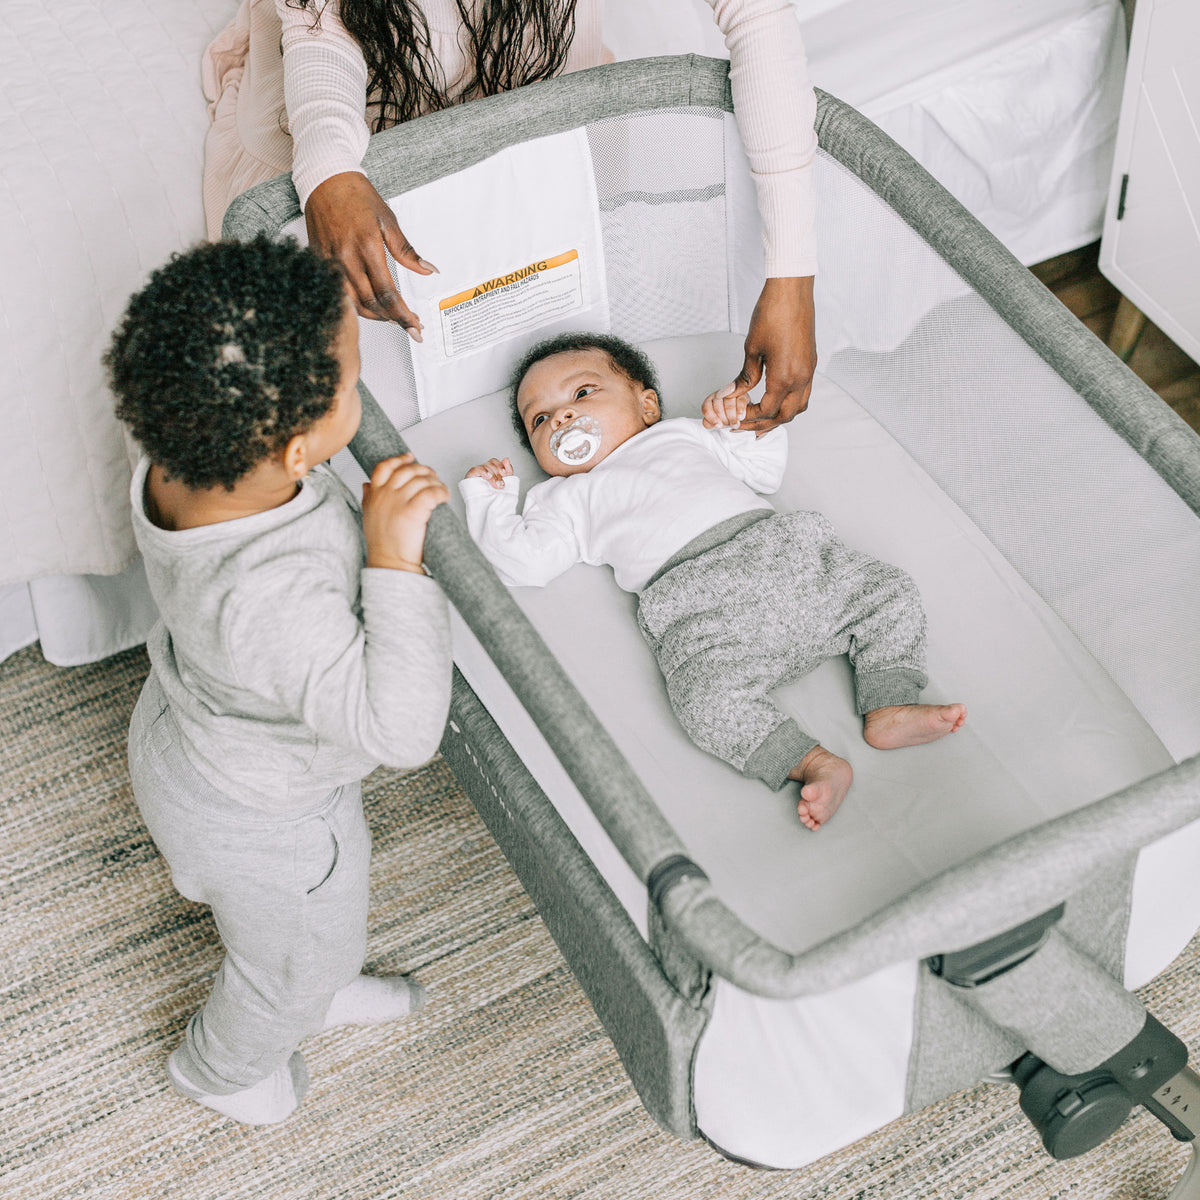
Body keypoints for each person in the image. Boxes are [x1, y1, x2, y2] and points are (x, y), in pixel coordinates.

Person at [105, 235, 453, 1125]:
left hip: (190, 730)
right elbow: (402, 729)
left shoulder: (178, 454)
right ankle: (224, 1068)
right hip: (264, 817)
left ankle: (309, 981)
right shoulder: (274, 598)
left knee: (297, 948)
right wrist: (391, 558)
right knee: (289, 965)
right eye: (351, 382)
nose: (359, 389)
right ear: (300, 450)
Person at [202, 0, 818, 432]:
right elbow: (322, 37)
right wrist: (331, 172)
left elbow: (758, 15)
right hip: (370, 99)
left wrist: (791, 271)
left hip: (532, 77)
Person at [460, 333, 966, 830]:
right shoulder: (565, 497)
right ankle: (809, 762)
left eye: (582, 393)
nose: (562, 417)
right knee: (704, 703)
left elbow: (764, 470)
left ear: (647, 403)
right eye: (540, 420)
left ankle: (890, 702)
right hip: (702, 615)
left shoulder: (683, 433)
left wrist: (742, 421)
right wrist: (491, 500)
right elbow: (523, 563)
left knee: (886, 590)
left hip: (786, 560)